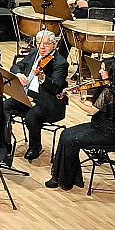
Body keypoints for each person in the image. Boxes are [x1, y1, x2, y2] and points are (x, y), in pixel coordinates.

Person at [47, 61, 115, 190]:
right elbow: (102, 105)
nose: (100, 72)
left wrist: (73, 98)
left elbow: (91, 111)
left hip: (105, 132)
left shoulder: (108, 91)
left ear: (112, 73)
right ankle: (65, 178)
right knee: (66, 134)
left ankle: (64, 179)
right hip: (106, 128)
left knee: (70, 139)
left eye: (103, 69)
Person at [10, 30, 70, 160]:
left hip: (46, 101)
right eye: (39, 43)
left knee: (31, 117)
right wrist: (19, 74)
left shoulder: (60, 63)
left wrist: (43, 78)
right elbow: (16, 66)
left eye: (46, 44)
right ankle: (4, 142)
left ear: (54, 45)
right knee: (3, 107)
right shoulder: (34, 53)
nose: (41, 47)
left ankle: (35, 147)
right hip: (26, 95)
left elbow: (56, 87)